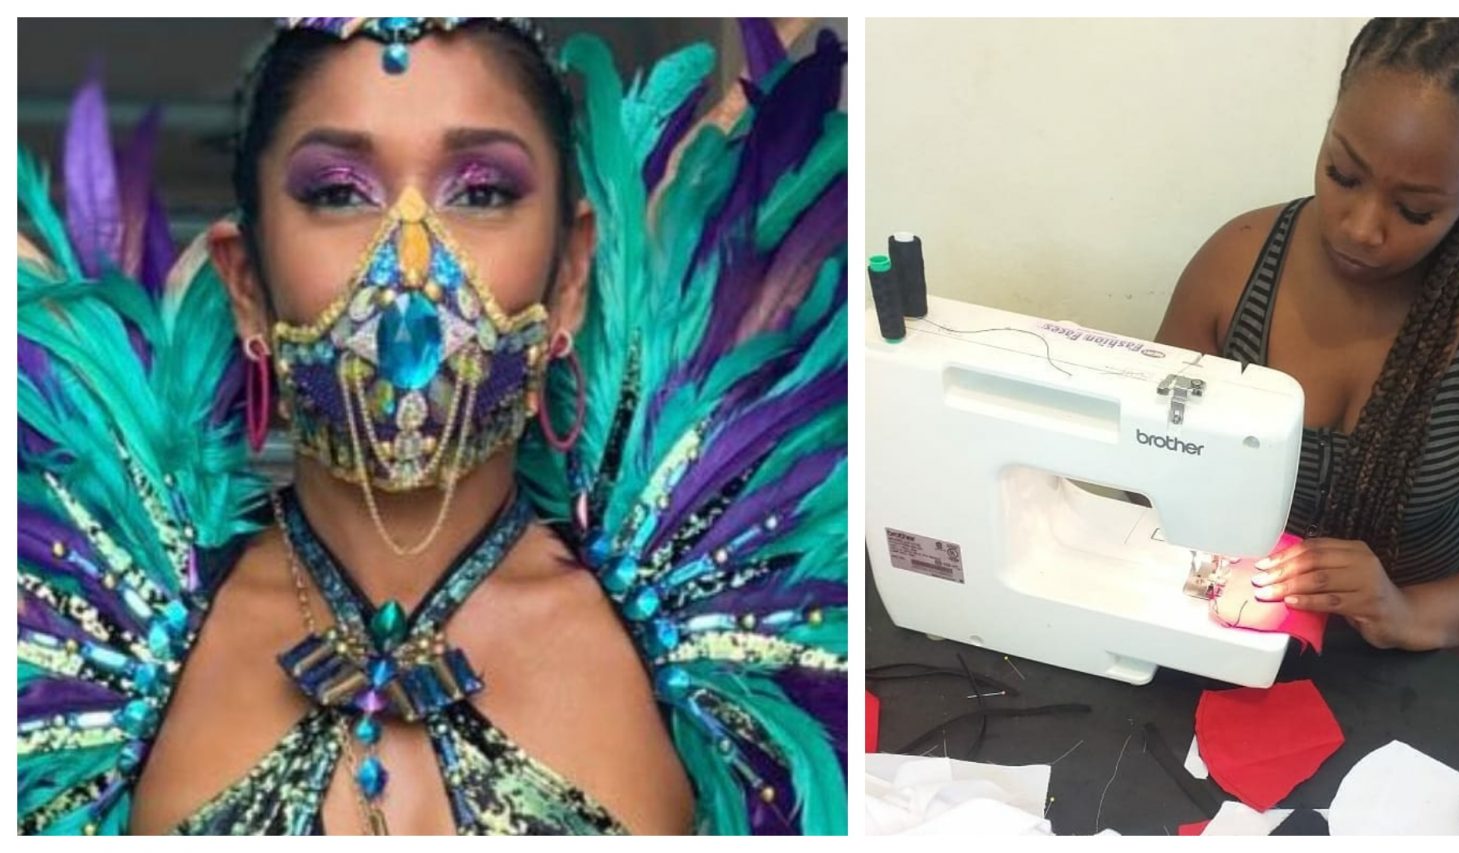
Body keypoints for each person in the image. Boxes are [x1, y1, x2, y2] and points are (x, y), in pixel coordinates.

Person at [17, 18, 850, 835]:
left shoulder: (705, 640)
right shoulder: (112, 636)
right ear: (247, 286)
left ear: (569, 277)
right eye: (339, 191)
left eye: (481, 191)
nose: (410, 266)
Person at [1154, 18, 1459, 673]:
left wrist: (1405, 610)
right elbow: (1151, 458)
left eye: (1414, 211)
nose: (1361, 229)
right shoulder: (1234, 268)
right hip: (1245, 620)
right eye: (1343, 173)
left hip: (1428, 646)